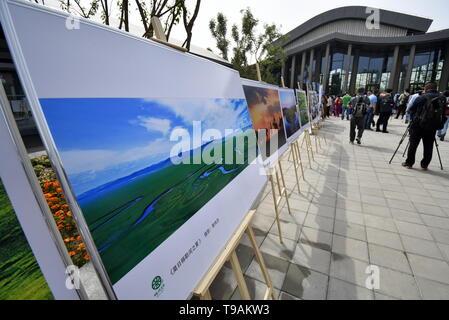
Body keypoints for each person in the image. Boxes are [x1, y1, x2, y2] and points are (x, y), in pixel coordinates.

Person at [402, 82, 447, 170]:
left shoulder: (422, 97)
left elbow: (411, 109)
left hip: (418, 125)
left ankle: (409, 163)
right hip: (433, 125)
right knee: (428, 145)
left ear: (426, 89)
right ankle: (424, 165)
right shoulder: (442, 98)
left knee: (413, 144)